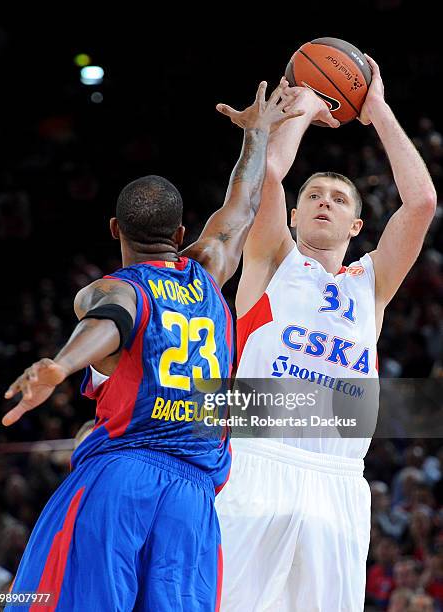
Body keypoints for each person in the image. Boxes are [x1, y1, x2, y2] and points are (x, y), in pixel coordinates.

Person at [1, 81, 304, 611]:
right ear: (183, 230)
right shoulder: (210, 267)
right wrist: (256, 133)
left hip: (122, 477)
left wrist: (61, 364)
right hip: (192, 498)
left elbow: (113, 318)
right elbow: (244, 200)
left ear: (115, 228)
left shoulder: (117, 287)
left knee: (37, 595)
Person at [215, 57, 437, 611]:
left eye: (338, 200)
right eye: (313, 195)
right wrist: (306, 110)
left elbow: (422, 203)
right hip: (256, 458)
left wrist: (377, 110)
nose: (324, 202)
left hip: (339, 477)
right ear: (293, 214)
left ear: (357, 226)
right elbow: (266, 175)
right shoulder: (270, 259)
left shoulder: (373, 285)